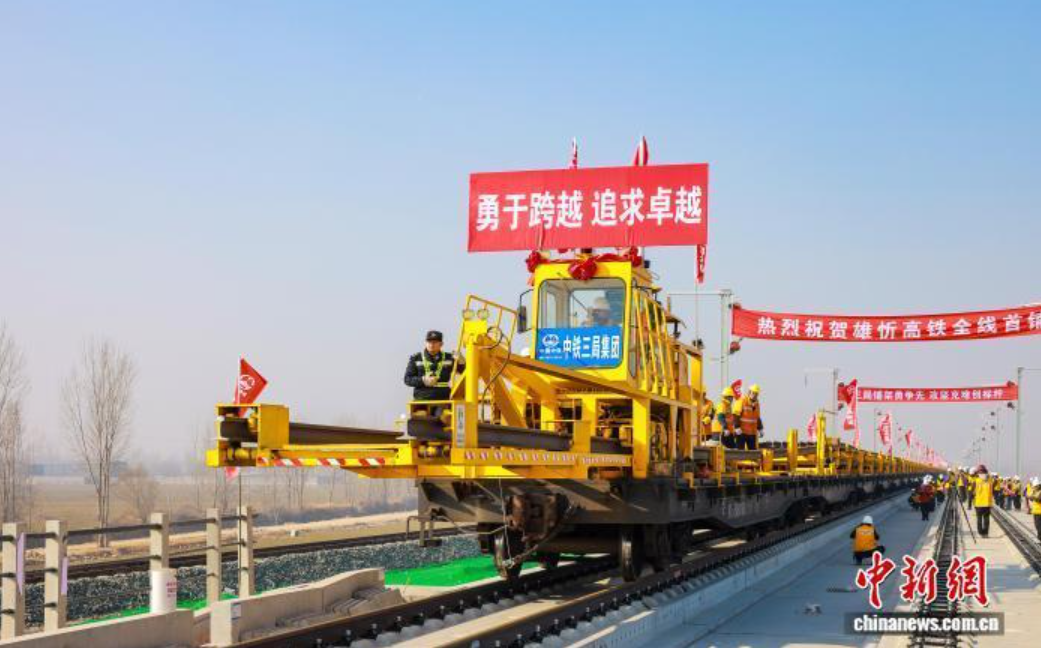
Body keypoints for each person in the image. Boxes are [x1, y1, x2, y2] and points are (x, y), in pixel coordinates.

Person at [403, 331, 465, 408]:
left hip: (443, 400)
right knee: (420, 414)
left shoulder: (449, 358)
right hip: (422, 400)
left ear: (441, 344)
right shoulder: (416, 358)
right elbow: (407, 379)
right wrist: (423, 380)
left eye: (435, 342)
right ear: (425, 343)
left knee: (443, 415)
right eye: (429, 342)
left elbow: (465, 373)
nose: (431, 345)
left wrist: (462, 362)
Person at [732, 384, 764, 450]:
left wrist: (760, 428)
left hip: (752, 433)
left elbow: (757, 418)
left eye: (756, 394)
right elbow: (735, 415)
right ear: (749, 392)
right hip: (741, 432)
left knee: (753, 452)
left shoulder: (757, 404)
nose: (755, 395)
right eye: (753, 393)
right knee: (740, 451)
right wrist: (737, 427)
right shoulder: (742, 401)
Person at [973, 465, 994, 537]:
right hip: (987, 503)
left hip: (978, 503)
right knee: (986, 519)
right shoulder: (990, 480)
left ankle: (980, 533)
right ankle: (986, 533)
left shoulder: (976, 480)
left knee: (979, 519)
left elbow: (973, 492)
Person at [1027, 477, 1041, 542]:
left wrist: (1033, 497)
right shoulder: (1035, 491)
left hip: (1039, 511)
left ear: (1038, 486)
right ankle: (1039, 538)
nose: (1034, 487)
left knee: (1039, 526)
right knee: (1037, 526)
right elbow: (1031, 499)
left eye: (1035, 486)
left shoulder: (1040, 492)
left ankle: (1039, 538)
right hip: (1035, 511)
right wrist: (1031, 496)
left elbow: (1039, 499)